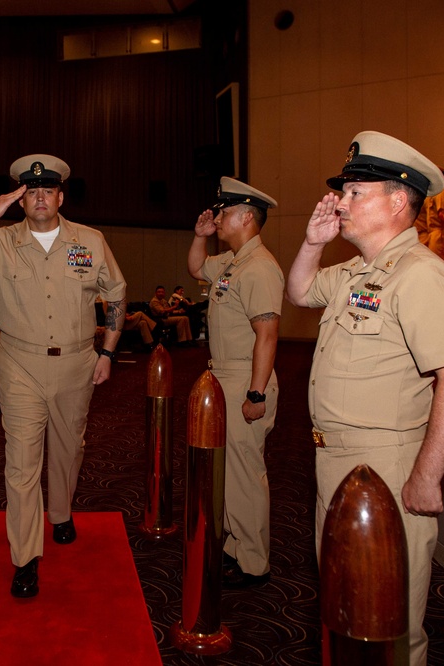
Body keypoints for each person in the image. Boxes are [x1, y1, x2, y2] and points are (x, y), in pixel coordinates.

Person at [286, 131, 444, 666]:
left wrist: (426, 475)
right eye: (342, 192)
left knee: (387, 621)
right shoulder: (357, 272)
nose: (341, 203)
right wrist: (312, 241)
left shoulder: (421, 277)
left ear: (398, 201)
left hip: (387, 467)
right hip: (336, 460)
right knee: (347, 610)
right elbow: (300, 292)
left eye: (355, 193)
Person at [0, 154, 126, 598]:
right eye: (31, 191)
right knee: (21, 461)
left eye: (48, 190)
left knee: (68, 446)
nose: (40, 197)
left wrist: (108, 353)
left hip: (77, 363)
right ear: (21, 200)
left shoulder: (90, 241)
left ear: (61, 196)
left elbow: (115, 295)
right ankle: (25, 556)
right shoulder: (0, 242)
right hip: (20, 364)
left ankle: (60, 512)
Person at [188, 177, 283, 588]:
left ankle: (254, 561)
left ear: (247, 217)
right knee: (227, 472)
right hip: (223, 374)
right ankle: (234, 547)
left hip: (246, 375)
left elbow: (268, 334)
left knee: (245, 474)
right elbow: (195, 268)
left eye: (224, 213)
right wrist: (199, 237)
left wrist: (256, 393)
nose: (218, 218)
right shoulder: (231, 262)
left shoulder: (260, 266)